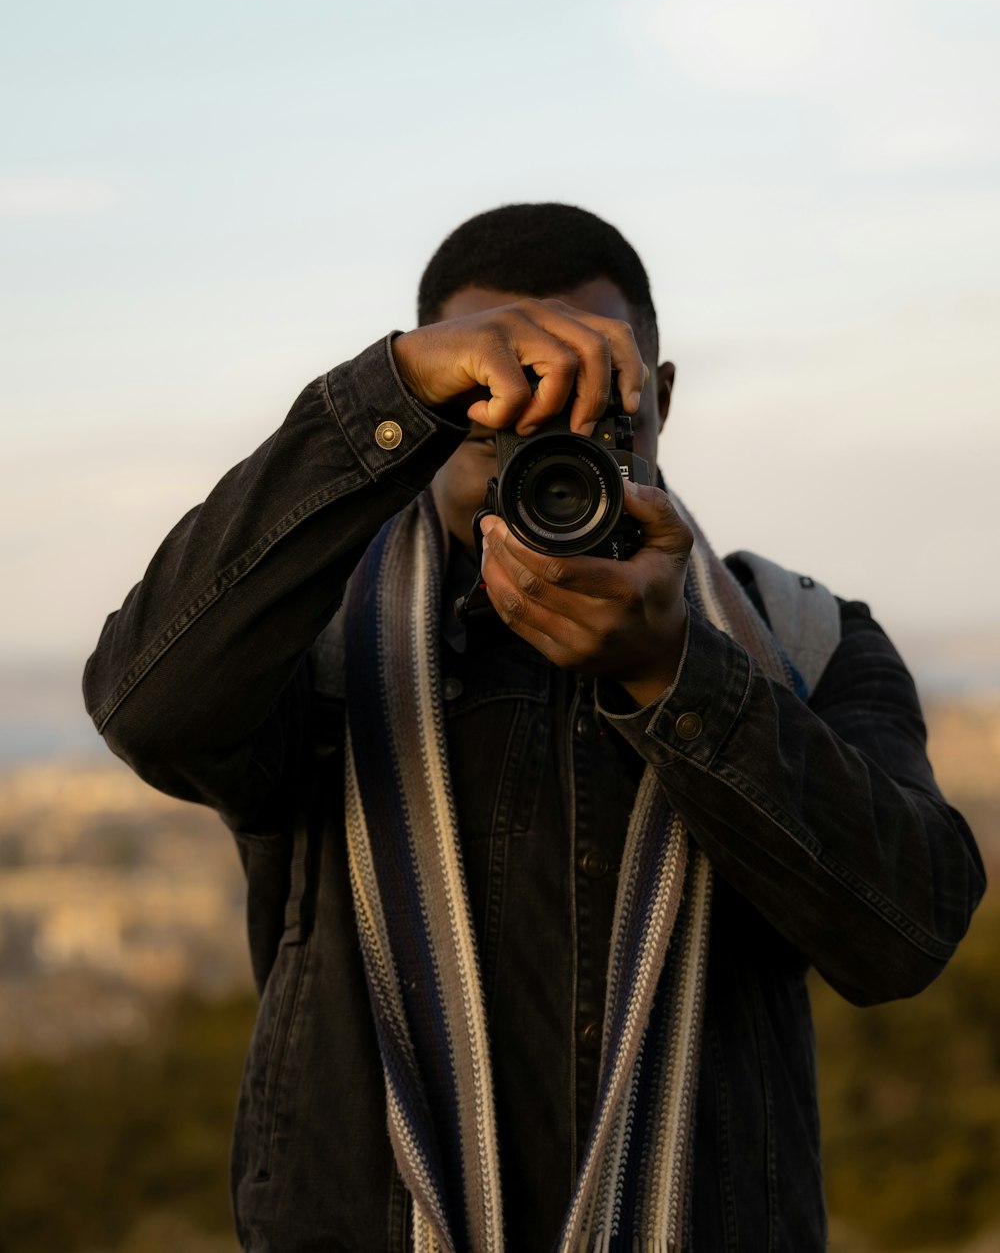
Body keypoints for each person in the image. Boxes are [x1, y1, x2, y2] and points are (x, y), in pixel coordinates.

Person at [83, 203, 985, 1253]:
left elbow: (904, 935)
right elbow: (148, 708)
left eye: (600, 403)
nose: (547, 449)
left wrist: (674, 674)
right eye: (494, 405)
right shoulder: (317, 644)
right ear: (436, 404)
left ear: (664, 397)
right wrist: (385, 392)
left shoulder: (799, 640)